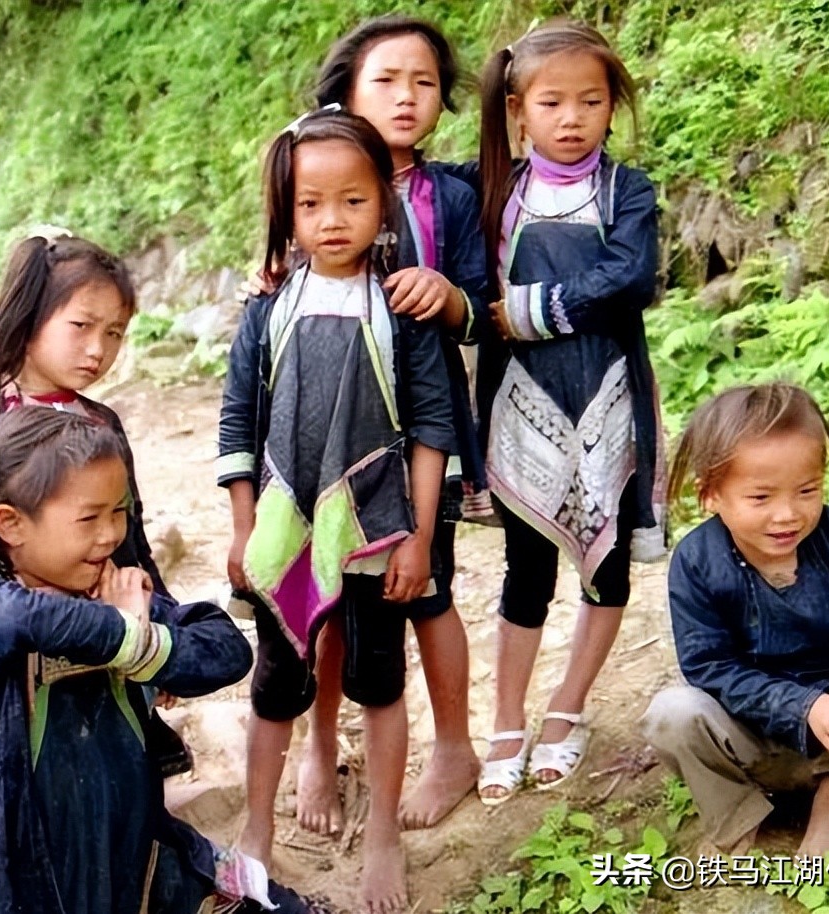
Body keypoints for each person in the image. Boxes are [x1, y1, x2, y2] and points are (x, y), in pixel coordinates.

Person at [0, 407, 329, 913]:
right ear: (11, 524)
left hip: (130, 848)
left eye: (118, 512)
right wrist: (128, 632)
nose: (111, 534)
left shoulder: (110, 588)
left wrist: (144, 644)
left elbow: (227, 648)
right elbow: (41, 623)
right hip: (18, 870)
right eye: (89, 518)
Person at [219, 109, 455, 914]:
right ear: (285, 213)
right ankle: (256, 831)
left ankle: (383, 830)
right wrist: (244, 526)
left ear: (382, 206)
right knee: (276, 683)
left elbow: (432, 427)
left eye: (352, 201)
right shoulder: (266, 311)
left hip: (374, 530)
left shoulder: (402, 312)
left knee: (380, 682)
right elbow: (237, 428)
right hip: (285, 531)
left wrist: (417, 538)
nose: (331, 220)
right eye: (310, 204)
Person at [460, 19, 666, 803]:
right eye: (553, 102)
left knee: (604, 566)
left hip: (611, 401)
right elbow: (404, 217)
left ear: (613, 106)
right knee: (527, 569)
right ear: (518, 110)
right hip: (519, 410)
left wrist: (532, 309)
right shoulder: (492, 192)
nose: (572, 117)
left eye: (591, 100)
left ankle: (567, 709)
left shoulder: (627, 191)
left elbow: (630, 277)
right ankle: (507, 719)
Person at [298, 14, 489, 832]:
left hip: (420, 427)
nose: (407, 96)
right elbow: (277, 268)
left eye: (424, 81)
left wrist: (448, 298)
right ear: (345, 91)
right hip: (321, 425)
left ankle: (453, 748)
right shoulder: (306, 168)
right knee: (326, 590)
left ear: (444, 100)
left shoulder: (449, 193)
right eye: (386, 80)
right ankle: (316, 746)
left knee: (426, 585)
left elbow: (481, 305)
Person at [642, 382, 829, 856]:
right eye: (760, 498)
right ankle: (736, 813)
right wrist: (803, 706)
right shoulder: (697, 561)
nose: (787, 515)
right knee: (671, 714)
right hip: (751, 739)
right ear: (710, 495)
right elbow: (710, 667)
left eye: (807, 490)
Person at [0, 233, 164, 597]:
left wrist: (167, 615)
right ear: (28, 321)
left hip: (105, 626)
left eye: (114, 333)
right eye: (81, 326)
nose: (98, 349)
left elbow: (131, 540)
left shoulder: (104, 425)